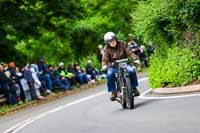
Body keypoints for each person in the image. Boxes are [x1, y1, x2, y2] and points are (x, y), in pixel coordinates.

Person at [102, 32, 141, 101]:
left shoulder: (123, 43)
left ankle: (134, 88)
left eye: (113, 40)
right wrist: (104, 65)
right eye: (110, 41)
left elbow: (130, 52)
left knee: (131, 71)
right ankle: (113, 92)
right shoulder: (106, 48)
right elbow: (105, 58)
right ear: (107, 43)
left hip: (124, 64)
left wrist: (136, 59)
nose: (112, 42)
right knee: (109, 74)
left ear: (115, 39)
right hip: (113, 66)